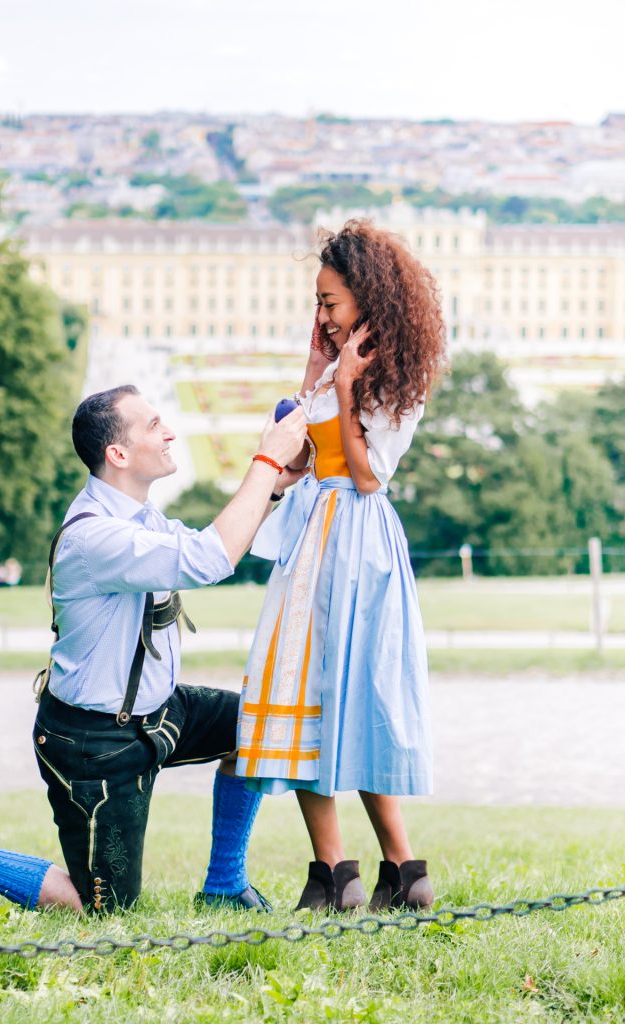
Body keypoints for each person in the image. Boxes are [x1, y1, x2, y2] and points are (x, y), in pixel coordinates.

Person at [0, 385, 307, 913]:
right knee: (102, 910)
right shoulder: (97, 538)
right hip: (94, 744)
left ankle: (225, 884)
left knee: (258, 729)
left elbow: (214, 542)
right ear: (118, 454)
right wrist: (266, 460)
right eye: (154, 425)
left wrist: (271, 489)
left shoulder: (139, 515)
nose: (170, 432)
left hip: (155, 712)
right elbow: (211, 558)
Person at [235, 219, 447, 913]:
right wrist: (316, 372)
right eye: (319, 303)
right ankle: (372, 870)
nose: (322, 315)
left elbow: (366, 476)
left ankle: (366, 872)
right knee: (310, 697)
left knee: (341, 695)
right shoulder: (334, 362)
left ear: (370, 299)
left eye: (330, 303)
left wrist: (349, 386)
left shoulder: (394, 379)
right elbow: (301, 454)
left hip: (353, 542)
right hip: (316, 536)